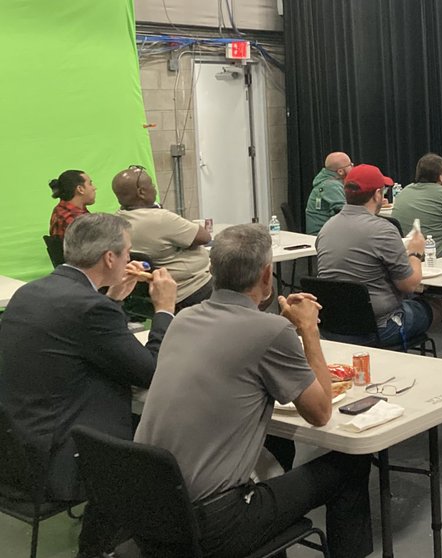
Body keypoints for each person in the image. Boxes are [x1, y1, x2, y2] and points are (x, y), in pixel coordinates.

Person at [135, 224, 371, 558]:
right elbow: (320, 413)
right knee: (350, 466)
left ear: (212, 271)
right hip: (212, 524)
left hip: (150, 511)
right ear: (266, 276)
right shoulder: (271, 330)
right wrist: (308, 329)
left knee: (276, 444)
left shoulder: (183, 318)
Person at [0, 213, 176, 557]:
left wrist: (112, 301)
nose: (130, 260)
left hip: (17, 447)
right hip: (62, 457)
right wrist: (164, 310)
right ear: (110, 258)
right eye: (127, 253)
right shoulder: (90, 308)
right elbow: (152, 372)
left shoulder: (31, 292)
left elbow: (72, 340)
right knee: (159, 446)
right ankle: (101, 547)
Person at [316, 164, 442, 349]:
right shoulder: (382, 230)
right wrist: (415, 252)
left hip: (332, 327)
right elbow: (409, 284)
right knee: (440, 303)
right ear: (377, 194)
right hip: (379, 328)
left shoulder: (326, 229)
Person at [113, 165, 214, 311]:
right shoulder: (160, 219)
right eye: (152, 185)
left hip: (152, 291)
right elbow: (204, 237)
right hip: (192, 288)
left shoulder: (117, 219)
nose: (155, 188)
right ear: (141, 192)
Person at [306, 151, 353, 234]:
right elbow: (346, 214)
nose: (353, 167)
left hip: (325, 234)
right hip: (322, 236)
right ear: (340, 171)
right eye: (350, 165)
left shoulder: (327, 182)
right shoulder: (331, 185)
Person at [48, 169, 97, 238]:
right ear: (80, 189)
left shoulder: (58, 209)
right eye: (90, 184)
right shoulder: (79, 221)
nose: (94, 188)